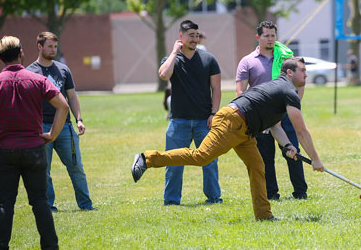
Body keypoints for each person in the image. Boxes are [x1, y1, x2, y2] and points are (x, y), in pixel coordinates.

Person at [131, 57, 325, 221]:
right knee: (201, 156)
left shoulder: (280, 89)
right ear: (289, 73)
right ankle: (147, 158)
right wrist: (315, 159)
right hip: (232, 121)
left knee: (257, 166)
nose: (306, 75)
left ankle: (264, 215)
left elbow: (275, 126)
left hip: (245, 130)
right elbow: (302, 132)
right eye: (303, 71)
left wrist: (288, 146)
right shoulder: (287, 91)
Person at [0, 36, 68, 250]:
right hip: (34, 148)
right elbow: (63, 106)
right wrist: (52, 135)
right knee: (40, 201)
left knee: (5, 202)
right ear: (21, 53)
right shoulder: (37, 80)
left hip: (4, 150)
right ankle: (51, 247)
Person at [236, 21, 307, 200]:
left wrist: (294, 104)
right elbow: (240, 90)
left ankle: (300, 192)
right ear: (258, 37)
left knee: (293, 152)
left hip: (285, 114)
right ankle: (271, 194)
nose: (270, 39)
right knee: (266, 158)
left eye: (273, 35)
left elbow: (300, 82)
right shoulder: (247, 61)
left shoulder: (286, 59)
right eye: (266, 35)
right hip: (262, 117)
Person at [27, 32, 94, 211]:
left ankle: (86, 205)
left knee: (76, 167)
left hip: (65, 127)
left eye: (55, 47)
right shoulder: (29, 72)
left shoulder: (63, 69)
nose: (53, 50)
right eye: (50, 46)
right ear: (39, 47)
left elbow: (71, 96)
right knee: (44, 170)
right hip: (41, 127)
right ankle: (48, 206)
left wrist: (79, 119)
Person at [158, 20, 222, 205]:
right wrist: (174, 52)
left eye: (196, 35)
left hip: (204, 120)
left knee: (210, 161)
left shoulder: (208, 59)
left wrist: (214, 113)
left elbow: (216, 89)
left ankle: (214, 197)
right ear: (181, 37)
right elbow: (163, 75)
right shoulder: (171, 59)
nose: (194, 39)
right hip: (179, 121)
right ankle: (171, 201)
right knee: (173, 163)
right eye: (190, 36)